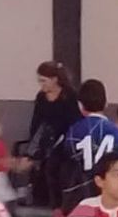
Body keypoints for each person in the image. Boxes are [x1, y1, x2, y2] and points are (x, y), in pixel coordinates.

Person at [54, 79, 118, 217]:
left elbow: (63, 162)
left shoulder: (74, 131)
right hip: (108, 193)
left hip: (79, 195)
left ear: (80, 105)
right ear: (106, 103)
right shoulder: (116, 132)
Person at [30, 62, 82, 209]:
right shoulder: (41, 97)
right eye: (39, 81)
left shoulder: (70, 96)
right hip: (47, 142)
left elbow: (74, 121)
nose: (41, 85)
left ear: (54, 79)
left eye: (44, 81)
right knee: (46, 174)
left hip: (65, 142)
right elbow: (36, 122)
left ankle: (63, 207)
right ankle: (52, 207)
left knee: (60, 174)